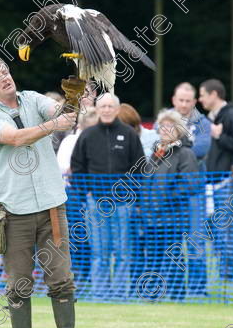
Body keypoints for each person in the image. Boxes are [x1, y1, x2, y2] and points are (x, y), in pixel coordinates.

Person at [0, 57, 78, 328]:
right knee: (19, 284)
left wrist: (77, 97)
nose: (5, 78)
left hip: (52, 208)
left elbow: (64, 114)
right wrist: (53, 126)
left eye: (6, 72)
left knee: (61, 279)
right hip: (14, 212)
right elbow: (17, 138)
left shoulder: (34, 99)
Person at [71, 92, 145, 299]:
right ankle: (100, 293)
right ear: (97, 109)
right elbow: (77, 167)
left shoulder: (129, 134)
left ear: (117, 109)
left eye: (110, 106)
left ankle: (121, 293)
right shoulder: (87, 135)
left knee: (123, 251)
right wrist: (84, 191)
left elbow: (139, 168)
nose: (106, 110)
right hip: (96, 202)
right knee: (99, 252)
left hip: (123, 204)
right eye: (102, 106)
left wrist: (133, 195)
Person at [141, 110, 201, 300]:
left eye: (170, 126)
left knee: (173, 258)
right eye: (163, 126)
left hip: (173, 218)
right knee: (153, 259)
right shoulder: (155, 153)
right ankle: (153, 295)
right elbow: (147, 182)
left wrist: (167, 196)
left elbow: (191, 184)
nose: (166, 130)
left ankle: (177, 296)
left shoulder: (185, 153)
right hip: (152, 218)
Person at [198, 78, 233, 280]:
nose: (200, 99)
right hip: (213, 183)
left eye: (202, 95)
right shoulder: (211, 117)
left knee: (226, 232)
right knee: (216, 232)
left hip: (229, 182)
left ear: (214, 94)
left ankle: (228, 277)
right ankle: (223, 273)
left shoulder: (232, 115)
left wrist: (220, 136)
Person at [171, 82, 211, 164]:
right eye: (181, 100)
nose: (184, 105)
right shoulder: (162, 120)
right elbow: (156, 146)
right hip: (166, 174)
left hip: (195, 174)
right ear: (174, 100)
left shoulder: (204, 123)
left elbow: (201, 150)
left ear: (194, 102)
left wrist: (172, 152)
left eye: (188, 101)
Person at [57, 107, 98, 174]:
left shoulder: (104, 141)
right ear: (79, 126)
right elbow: (62, 167)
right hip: (74, 183)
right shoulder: (69, 141)